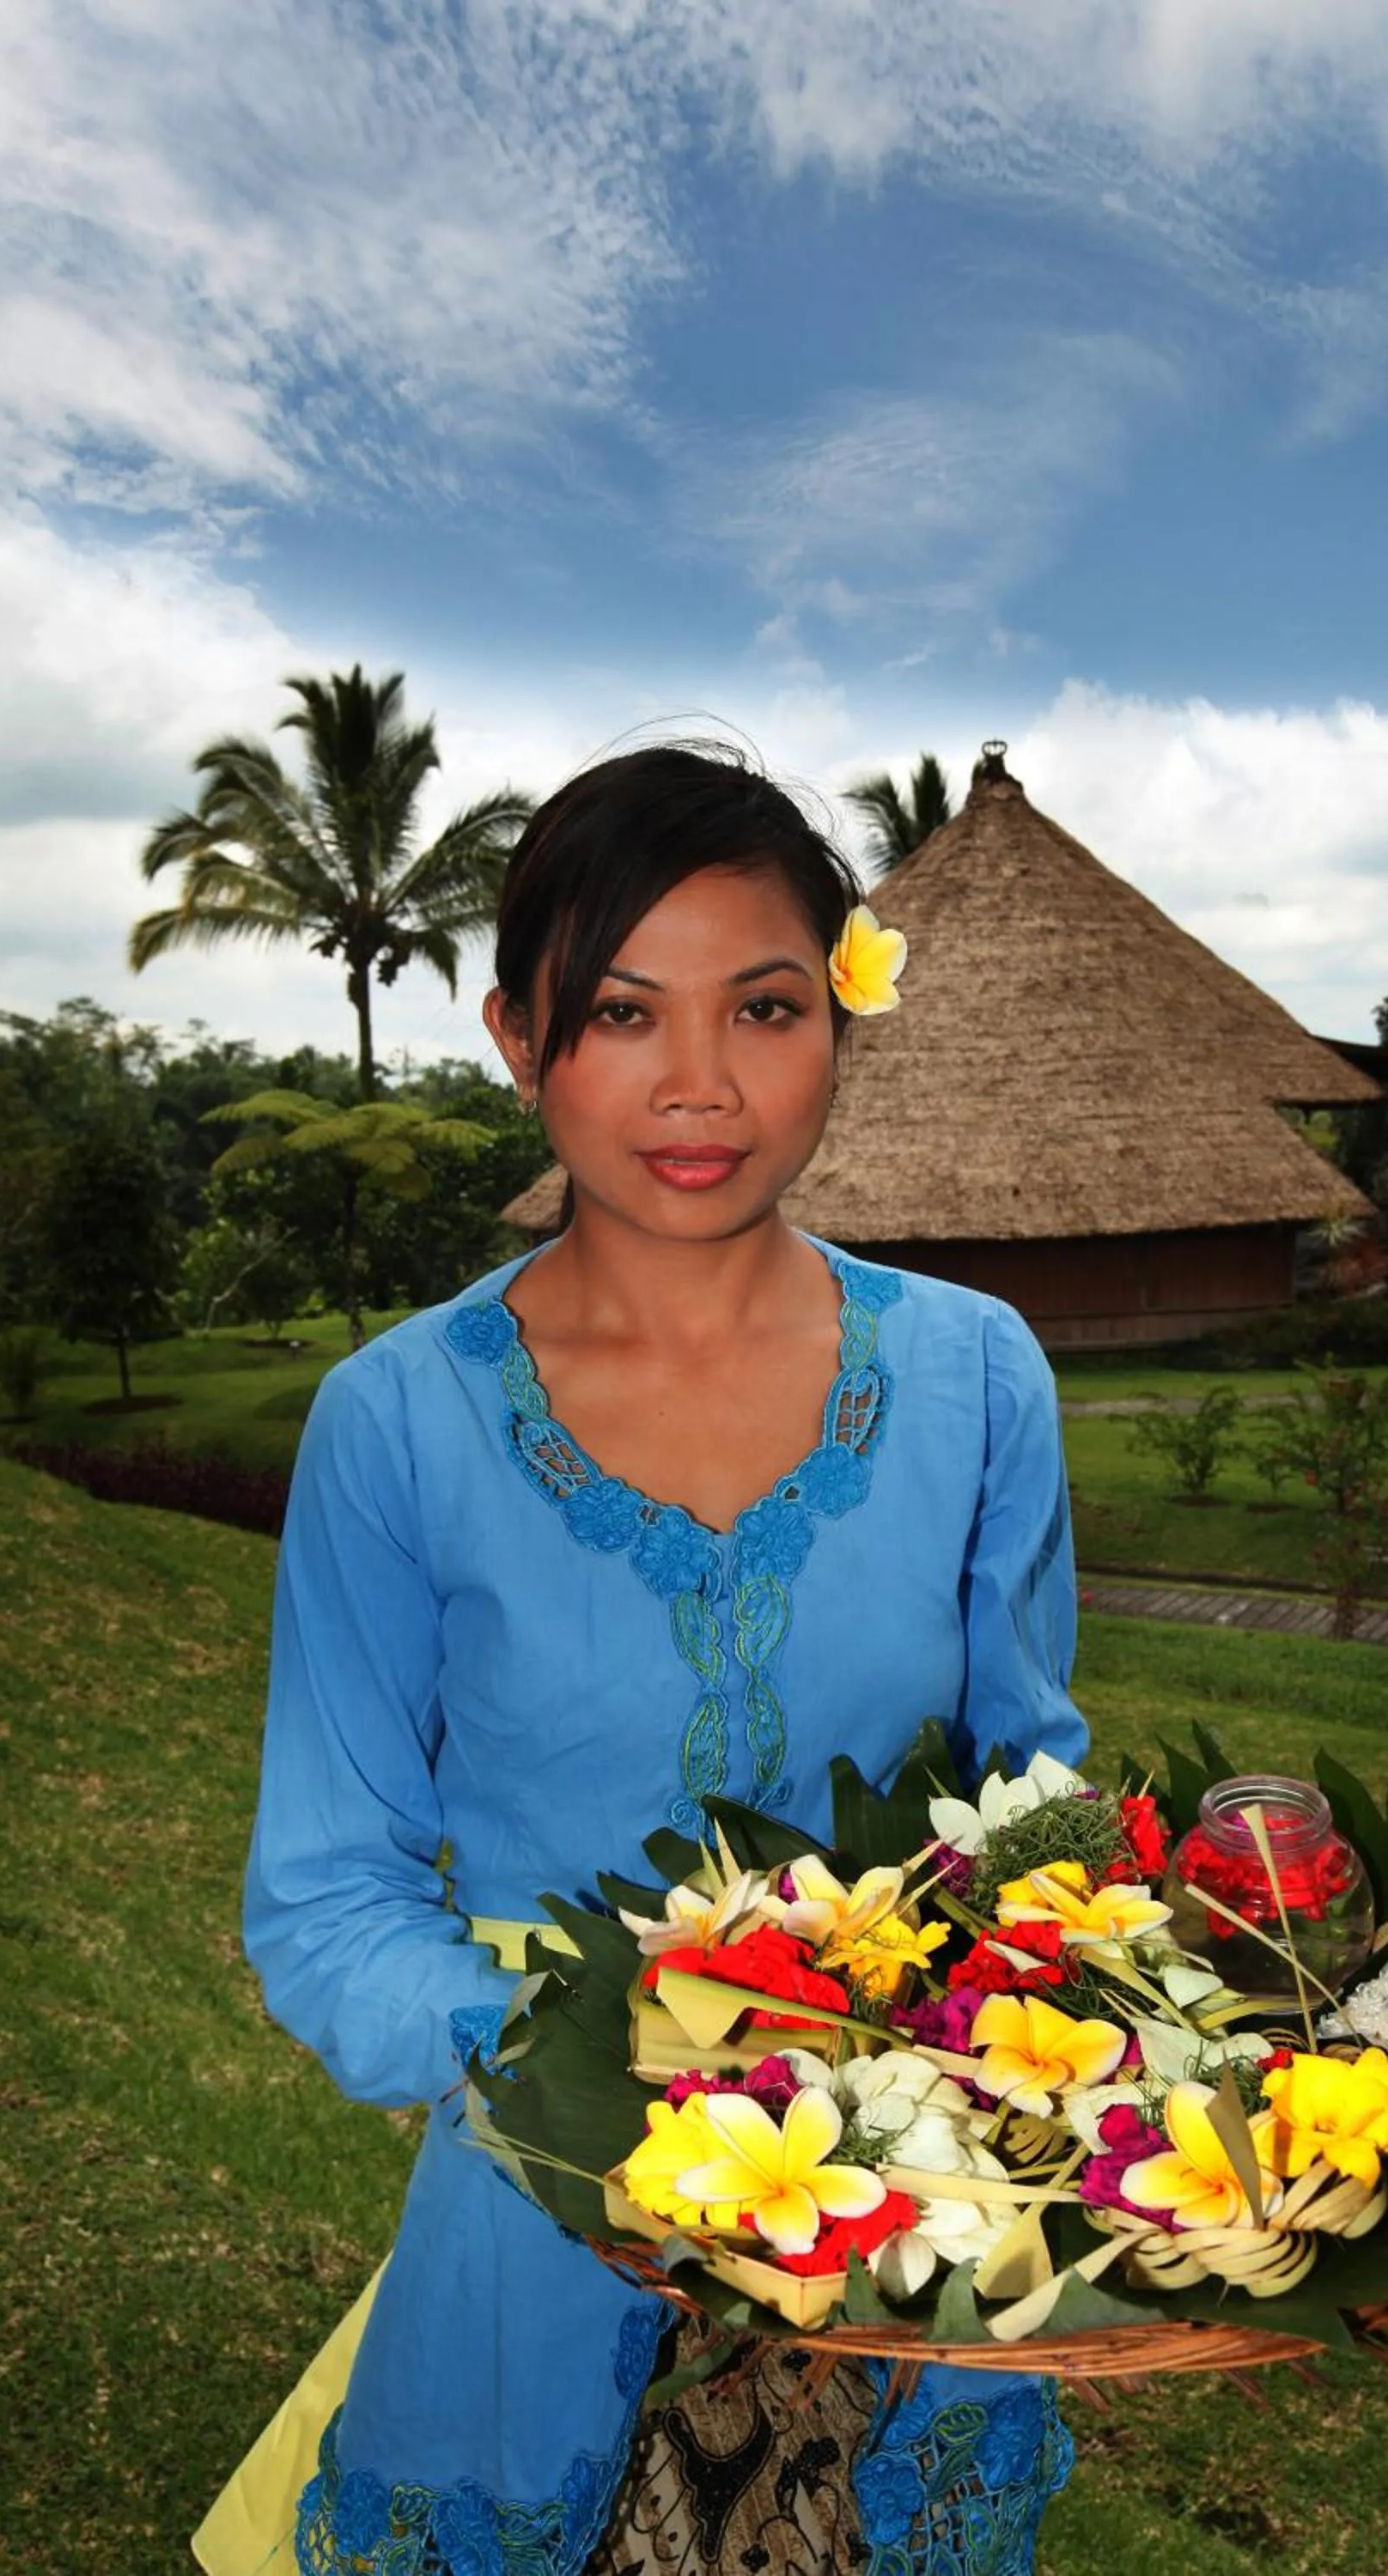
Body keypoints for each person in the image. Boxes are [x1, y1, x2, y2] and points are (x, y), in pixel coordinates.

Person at [193, 742, 1089, 2576]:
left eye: (764, 1006)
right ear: (521, 1035)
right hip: (537, 2210)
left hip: (912, 2216)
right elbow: (331, 1893)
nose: (700, 1086)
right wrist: (602, 2099)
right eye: (621, 1011)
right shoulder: (398, 1425)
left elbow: (1027, 1805)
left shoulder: (978, 1376)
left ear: (840, 1021)